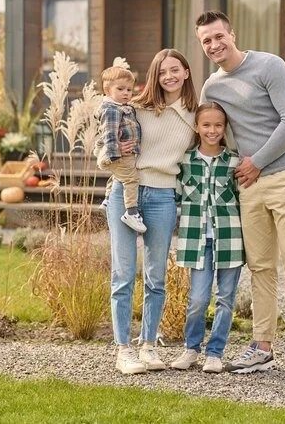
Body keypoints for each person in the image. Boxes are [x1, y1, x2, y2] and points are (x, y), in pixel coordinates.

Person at [196, 10, 285, 382]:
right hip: (248, 184)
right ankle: (262, 348)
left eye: (219, 36)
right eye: (206, 41)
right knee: (261, 267)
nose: (214, 45)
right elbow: (209, 132)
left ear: (232, 34)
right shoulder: (211, 88)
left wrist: (258, 162)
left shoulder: (269, 66)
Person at [107, 49, 197, 374]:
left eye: (175, 70)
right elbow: (102, 143)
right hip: (125, 193)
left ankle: (148, 345)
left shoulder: (194, 116)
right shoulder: (136, 107)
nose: (169, 77)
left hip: (162, 196)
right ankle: (123, 350)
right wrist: (114, 152)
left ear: (186, 72)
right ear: (155, 77)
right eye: (162, 72)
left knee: (156, 276)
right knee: (123, 274)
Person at [170, 102, 244, 374]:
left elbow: (242, 199)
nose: (212, 130)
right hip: (196, 239)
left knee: (226, 298)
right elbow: (175, 195)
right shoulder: (185, 161)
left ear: (225, 129)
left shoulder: (234, 161)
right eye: (206, 125)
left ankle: (215, 353)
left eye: (218, 125)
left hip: (230, 240)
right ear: (196, 127)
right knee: (198, 299)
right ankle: (191, 349)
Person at [93, 63, 146, 233]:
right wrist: (115, 153)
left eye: (129, 90)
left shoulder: (121, 107)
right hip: (118, 155)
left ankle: (108, 198)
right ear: (107, 90)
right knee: (131, 179)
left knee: (118, 176)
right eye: (121, 89)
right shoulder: (111, 110)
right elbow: (109, 133)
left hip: (119, 154)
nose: (126, 93)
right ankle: (131, 212)